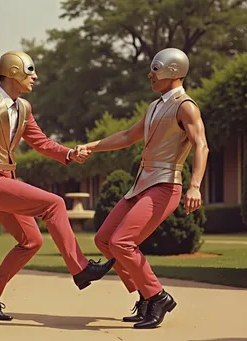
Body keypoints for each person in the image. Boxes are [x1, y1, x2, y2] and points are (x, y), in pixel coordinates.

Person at [0, 51, 115, 321]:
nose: (35, 77)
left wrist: (68, 154)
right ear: (14, 72)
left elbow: (40, 142)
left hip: (6, 181)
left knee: (31, 241)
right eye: (30, 71)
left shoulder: (24, 108)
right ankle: (81, 268)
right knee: (55, 203)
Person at [78, 47, 209, 329]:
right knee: (104, 239)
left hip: (165, 186)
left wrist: (195, 186)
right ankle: (146, 297)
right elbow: (127, 135)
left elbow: (201, 145)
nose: (150, 74)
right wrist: (92, 146)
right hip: (141, 185)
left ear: (173, 73)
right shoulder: (154, 106)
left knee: (122, 242)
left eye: (156, 69)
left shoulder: (185, 106)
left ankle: (157, 296)